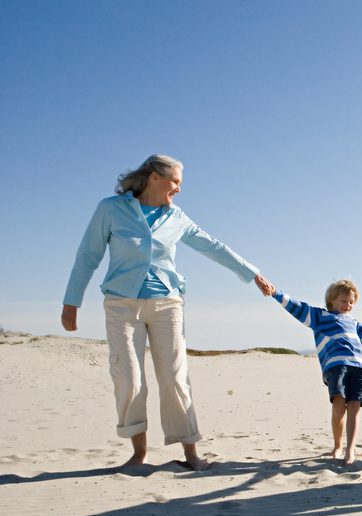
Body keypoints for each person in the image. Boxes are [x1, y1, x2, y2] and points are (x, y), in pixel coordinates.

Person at [62, 154, 274, 470]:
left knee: (175, 377)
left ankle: (190, 453)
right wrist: (71, 302)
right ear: (154, 177)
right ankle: (139, 453)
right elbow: (87, 256)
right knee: (129, 378)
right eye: (175, 181)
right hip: (121, 304)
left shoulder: (176, 217)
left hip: (167, 304)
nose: (178, 188)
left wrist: (252, 273)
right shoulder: (111, 209)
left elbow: (212, 246)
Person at [263, 279, 362, 465]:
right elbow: (297, 307)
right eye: (344, 301)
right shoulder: (319, 317)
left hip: (360, 367)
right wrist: (275, 293)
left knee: (354, 407)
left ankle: (350, 449)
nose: (348, 305)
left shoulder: (353, 322)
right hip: (336, 366)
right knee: (338, 406)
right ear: (331, 300)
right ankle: (337, 445)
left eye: (351, 302)